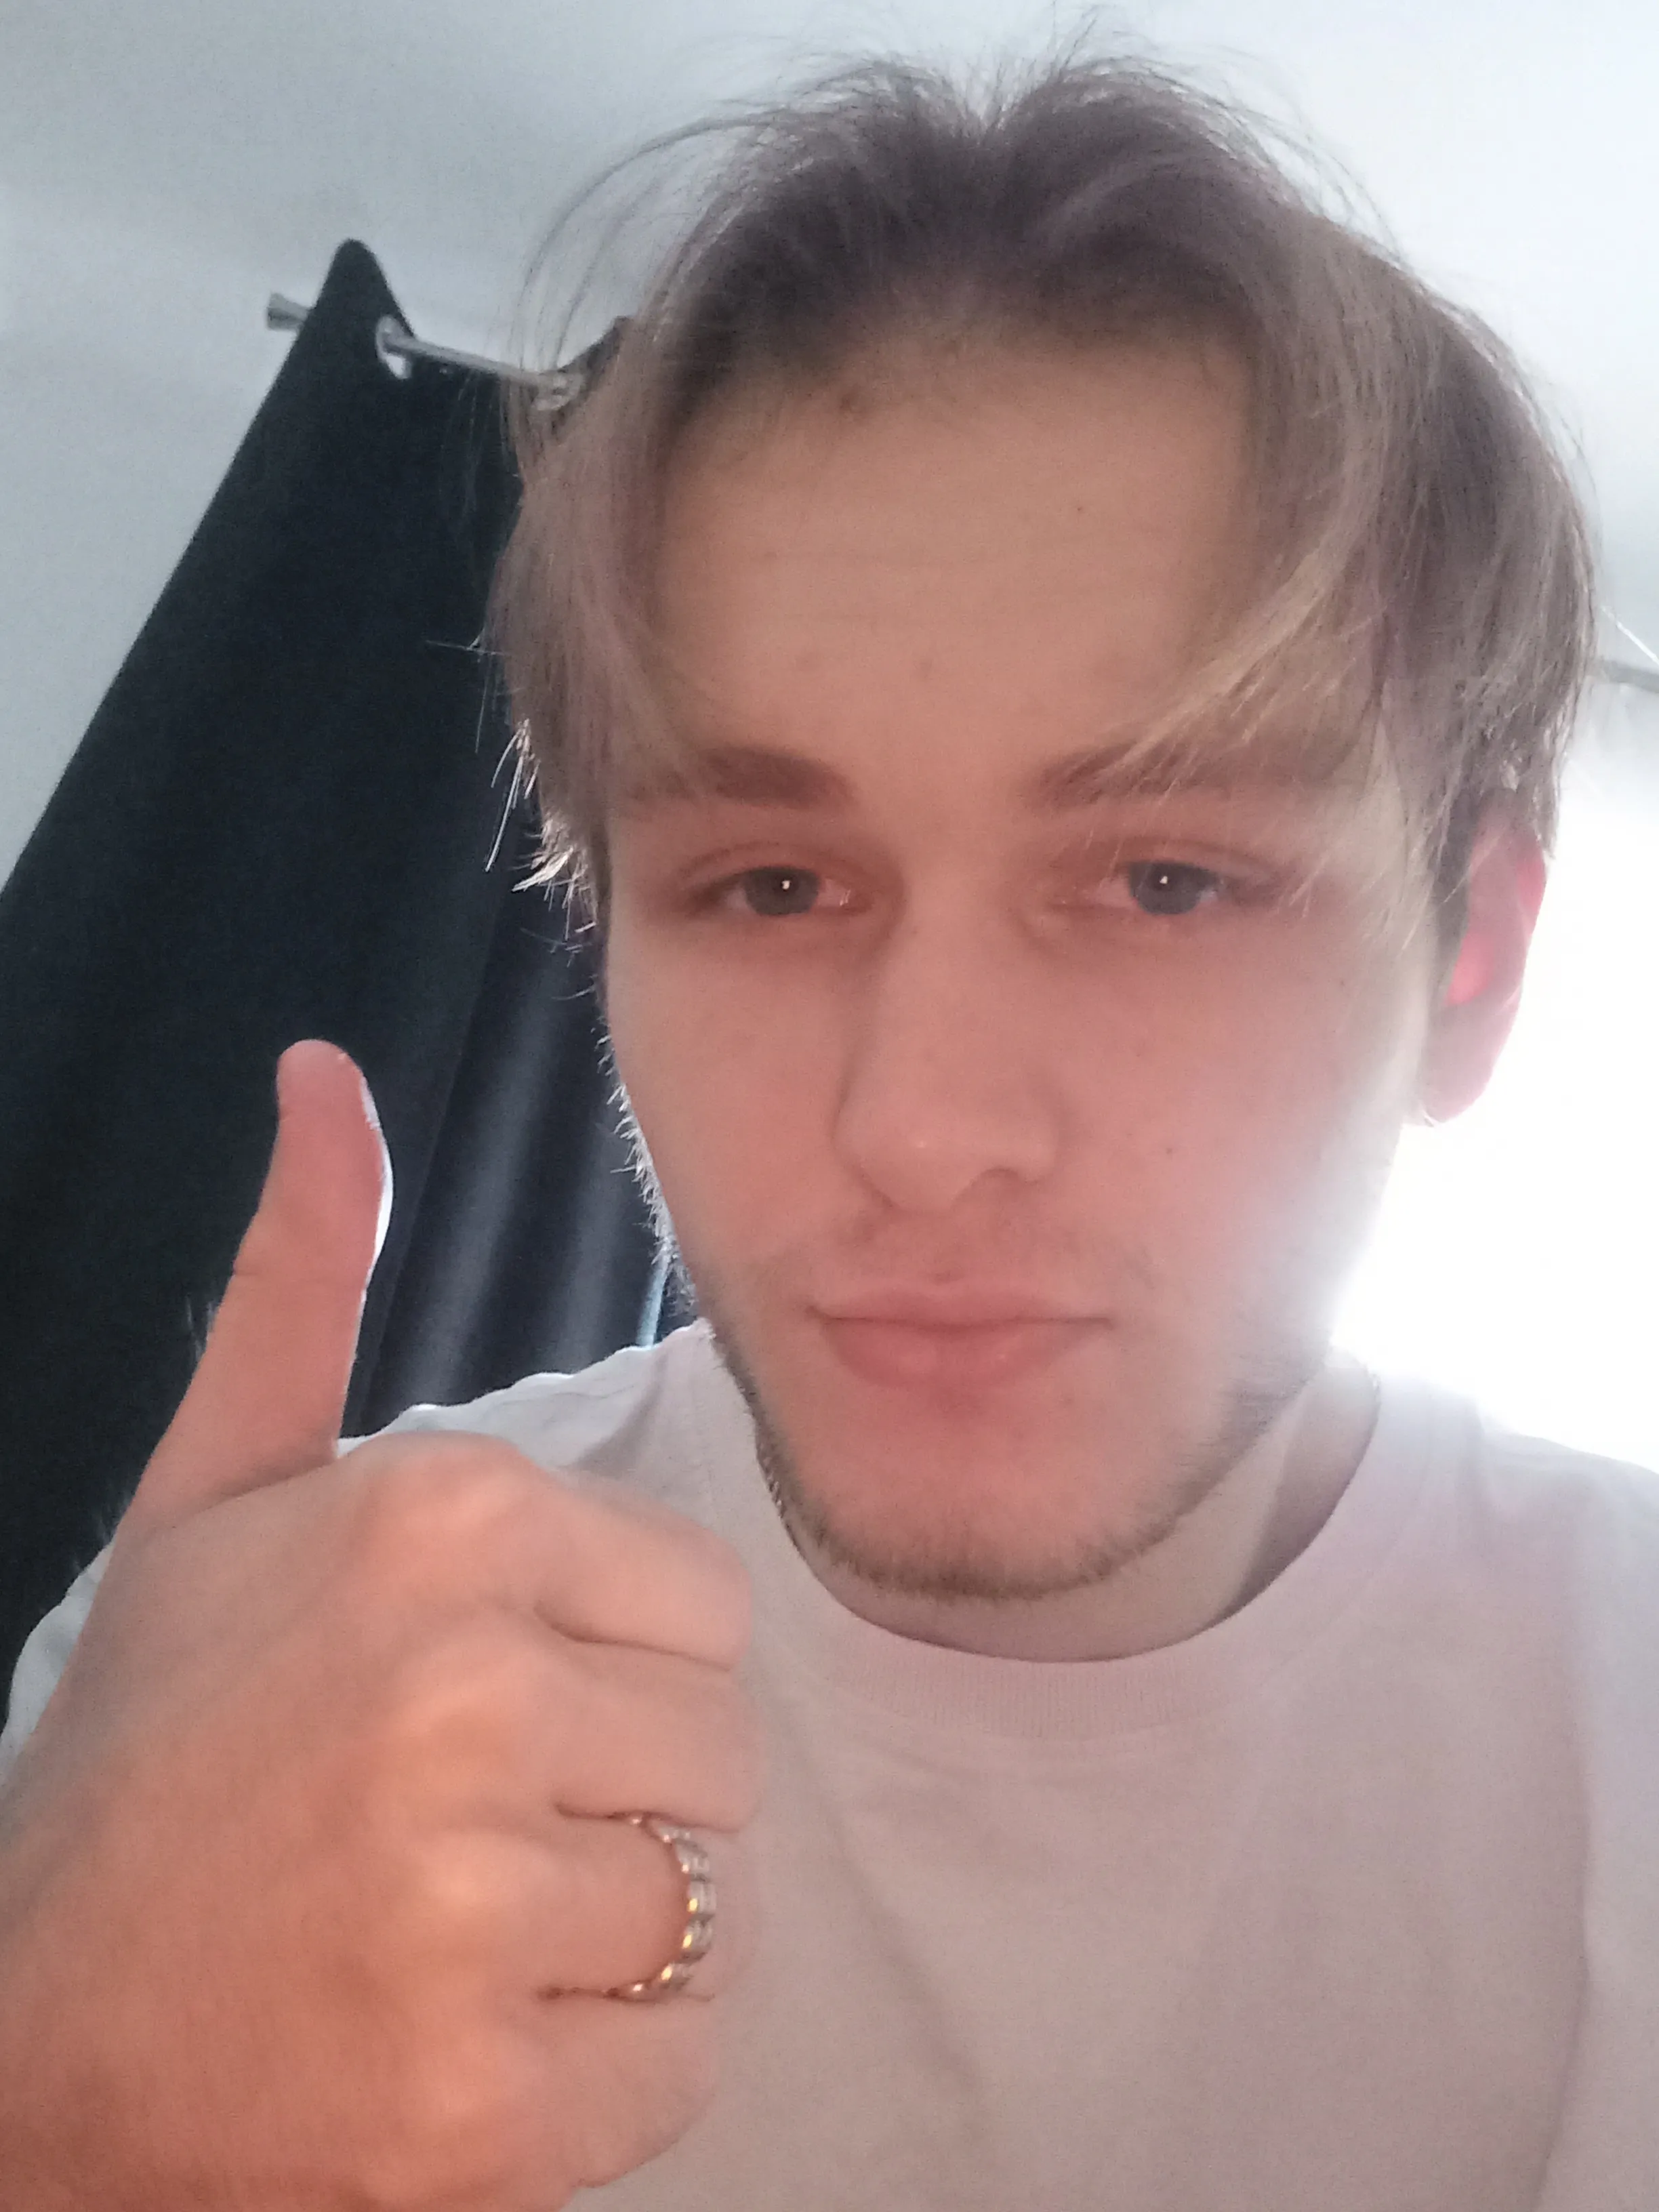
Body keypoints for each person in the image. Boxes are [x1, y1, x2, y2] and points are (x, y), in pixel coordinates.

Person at [0, 49, 1652, 2212]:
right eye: (773, 887)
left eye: (1169, 881)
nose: (923, 1129)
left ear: (1472, 963)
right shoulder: (245, 1704)